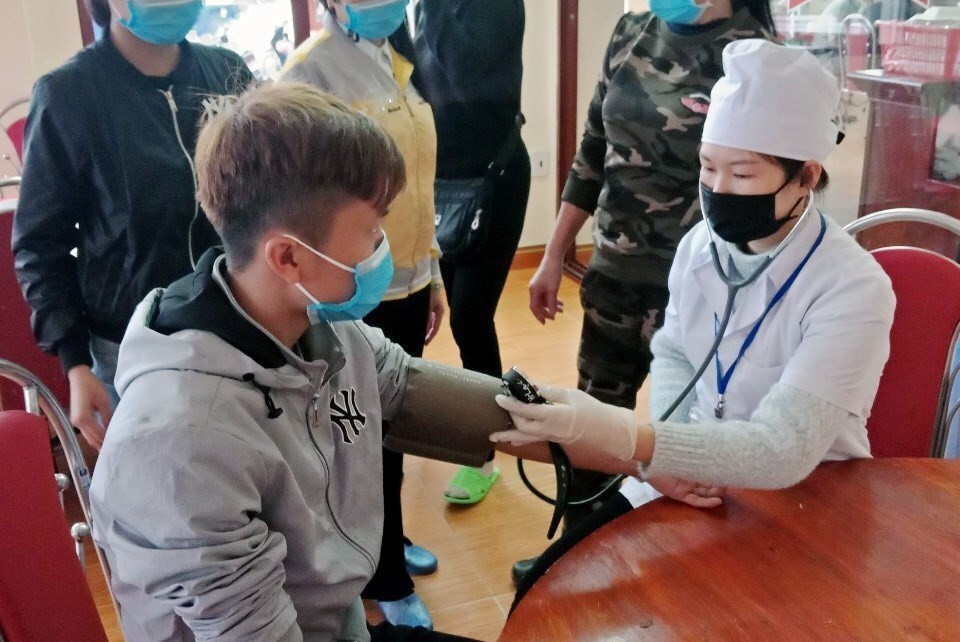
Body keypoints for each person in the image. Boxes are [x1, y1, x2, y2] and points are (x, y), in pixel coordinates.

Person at [88, 82, 621, 641]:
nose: (383, 247)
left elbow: (434, 398)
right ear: (289, 255)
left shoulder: (320, 328)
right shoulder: (182, 442)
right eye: (371, 230)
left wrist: (634, 450)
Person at [495, 39, 897, 604]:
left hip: (804, 495)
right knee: (550, 590)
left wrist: (636, 441)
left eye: (742, 173)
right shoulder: (700, 247)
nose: (718, 190)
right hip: (697, 474)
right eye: (708, 167)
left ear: (805, 177)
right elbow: (676, 351)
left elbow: (783, 449)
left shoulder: (852, 287)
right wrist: (665, 458)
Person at [520, 0, 777, 577]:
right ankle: (575, 563)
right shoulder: (632, 33)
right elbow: (592, 151)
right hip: (612, 276)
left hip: (700, 297)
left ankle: (672, 581)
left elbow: (774, 191)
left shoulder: (755, 61)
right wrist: (552, 256)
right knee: (591, 432)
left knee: (681, 448)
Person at [12, 0, 253, 450]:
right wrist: (75, 364)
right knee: (169, 504)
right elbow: (39, 248)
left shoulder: (226, 74)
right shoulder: (71, 97)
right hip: (134, 349)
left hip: (239, 329)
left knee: (248, 485)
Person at [280, 0, 443, 629]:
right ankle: (378, 579)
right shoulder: (309, 72)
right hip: (348, 293)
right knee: (356, 439)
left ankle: (388, 542)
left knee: (393, 429)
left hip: (403, 279)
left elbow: (418, 184)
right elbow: (298, 206)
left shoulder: (396, 58)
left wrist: (430, 272)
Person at [397, 0, 529, 507]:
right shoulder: (425, 5)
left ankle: (487, 446)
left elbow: (459, 66)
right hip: (439, 182)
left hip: (491, 180)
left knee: (473, 315)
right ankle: (470, 425)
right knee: (451, 315)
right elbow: (424, 85)